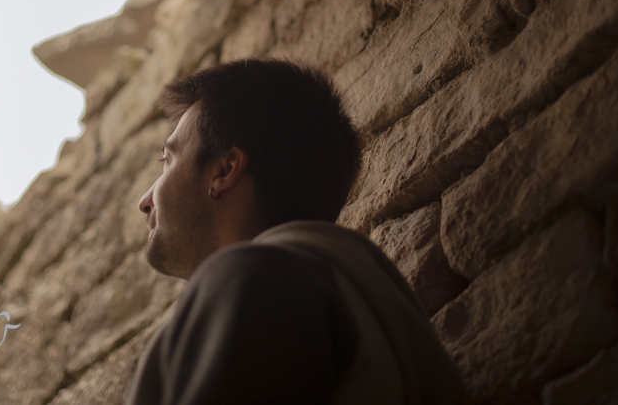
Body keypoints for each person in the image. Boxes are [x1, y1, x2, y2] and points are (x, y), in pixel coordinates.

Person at [125, 58, 465, 405]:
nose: (145, 200)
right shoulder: (380, 314)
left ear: (224, 170)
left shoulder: (254, 280)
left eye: (167, 160)